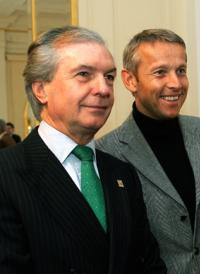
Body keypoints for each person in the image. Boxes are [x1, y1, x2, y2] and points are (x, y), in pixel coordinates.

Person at [0, 26, 166, 274]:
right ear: (41, 90)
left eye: (109, 77)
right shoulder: (6, 172)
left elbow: (149, 264)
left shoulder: (122, 173)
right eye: (84, 74)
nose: (103, 89)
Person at [96, 28, 200, 273]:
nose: (175, 83)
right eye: (160, 72)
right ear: (130, 80)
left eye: (181, 71)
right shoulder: (107, 152)